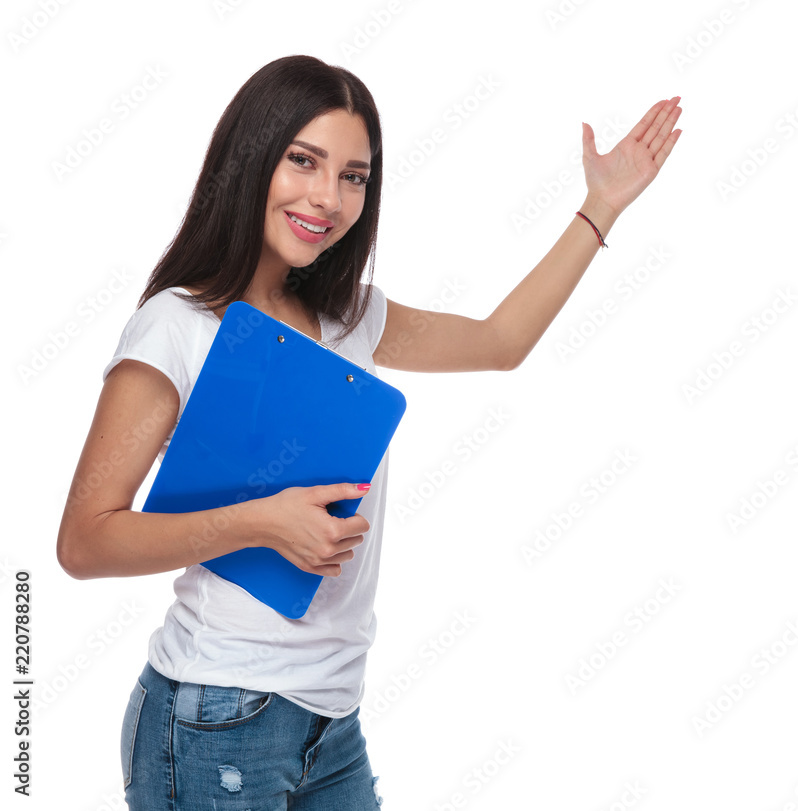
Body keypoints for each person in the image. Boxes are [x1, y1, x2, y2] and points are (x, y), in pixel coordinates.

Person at [56, 54, 682, 810]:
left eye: (354, 175)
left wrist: (601, 206)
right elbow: (85, 541)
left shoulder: (346, 316)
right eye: (303, 161)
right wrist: (262, 524)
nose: (328, 197)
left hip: (330, 723)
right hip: (217, 718)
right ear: (251, 158)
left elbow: (499, 341)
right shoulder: (177, 327)